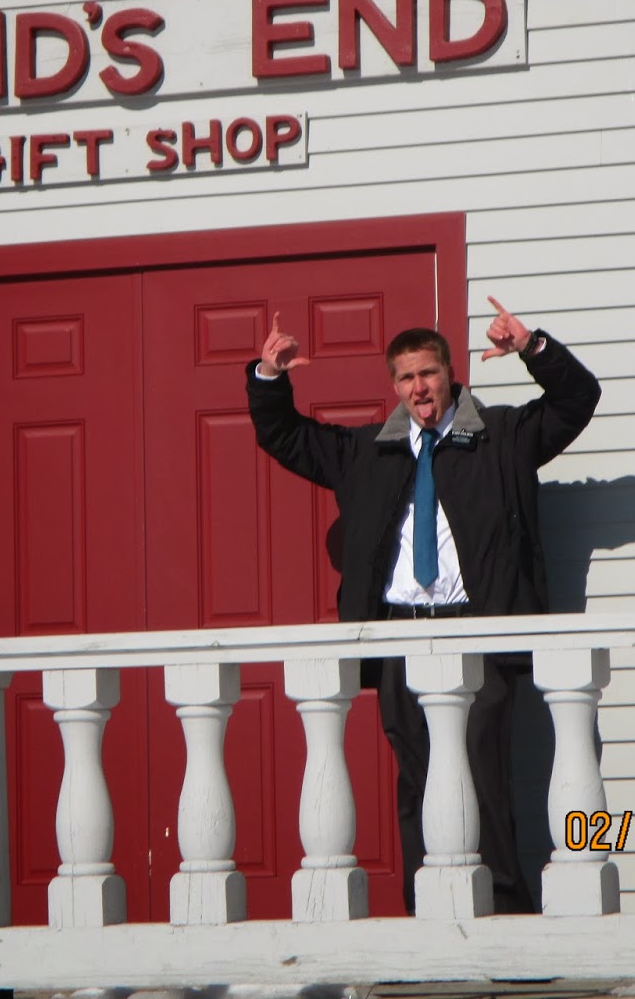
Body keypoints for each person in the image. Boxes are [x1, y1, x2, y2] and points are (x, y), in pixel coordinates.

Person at [245, 296, 600, 915]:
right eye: (406, 377)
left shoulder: (502, 438)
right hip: (399, 637)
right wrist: (269, 378)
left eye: (428, 373)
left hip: (477, 633)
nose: (419, 387)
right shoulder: (367, 452)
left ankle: (503, 908)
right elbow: (284, 436)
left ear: (449, 374)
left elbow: (577, 400)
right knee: (416, 779)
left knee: (483, 776)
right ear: (395, 386)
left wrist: (531, 347)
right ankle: (426, 909)